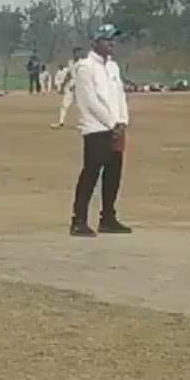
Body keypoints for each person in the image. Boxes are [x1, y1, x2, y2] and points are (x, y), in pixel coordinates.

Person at [70, 23, 132, 236]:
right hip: (95, 128)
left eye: (113, 39)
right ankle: (78, 220)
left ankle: (108, 218)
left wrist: (123, 121)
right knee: (91, 174)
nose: (111, 43)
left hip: (116, 127)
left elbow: (120, 96)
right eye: (107, 39)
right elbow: (90, 101)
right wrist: (111, 122)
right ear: (95, 42)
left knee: (114, 174)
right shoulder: (85, 67)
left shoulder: (113, 67)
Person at [51, 47, 85, 129]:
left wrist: (77, 85)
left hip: (80, 86)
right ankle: (61, 122)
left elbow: (83, 76)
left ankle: (82, 123)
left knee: (80, 106)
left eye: (80, 53)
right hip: (70, 86)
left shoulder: (83, 63)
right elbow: (68, 75)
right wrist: (62, 86)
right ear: (74, 53)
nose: (79, 54)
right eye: (77, 53)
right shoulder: (70, 62)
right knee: (64, 104)